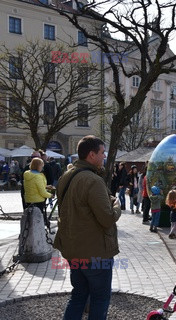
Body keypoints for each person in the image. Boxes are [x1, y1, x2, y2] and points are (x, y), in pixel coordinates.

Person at [54, 135, 121, 320]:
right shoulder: (93, 180)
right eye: (102, 152)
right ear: (91, 154)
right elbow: (107, 218)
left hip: (73, 249)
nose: (104, 156)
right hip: (96, 253)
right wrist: (116, 204)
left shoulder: (66, 176)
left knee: (78, 296)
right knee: (100, 298)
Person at [23, 157, 54, 231]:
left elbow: (33, 186)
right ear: (38, 166)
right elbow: (42, 192)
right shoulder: (38, 177)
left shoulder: (27, 174)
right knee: (38, 219)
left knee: (30, 219)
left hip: (29, 200)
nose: (42, 167)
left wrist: (46, 186)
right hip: (38, 201)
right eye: (41, 166)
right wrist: (51, 195)